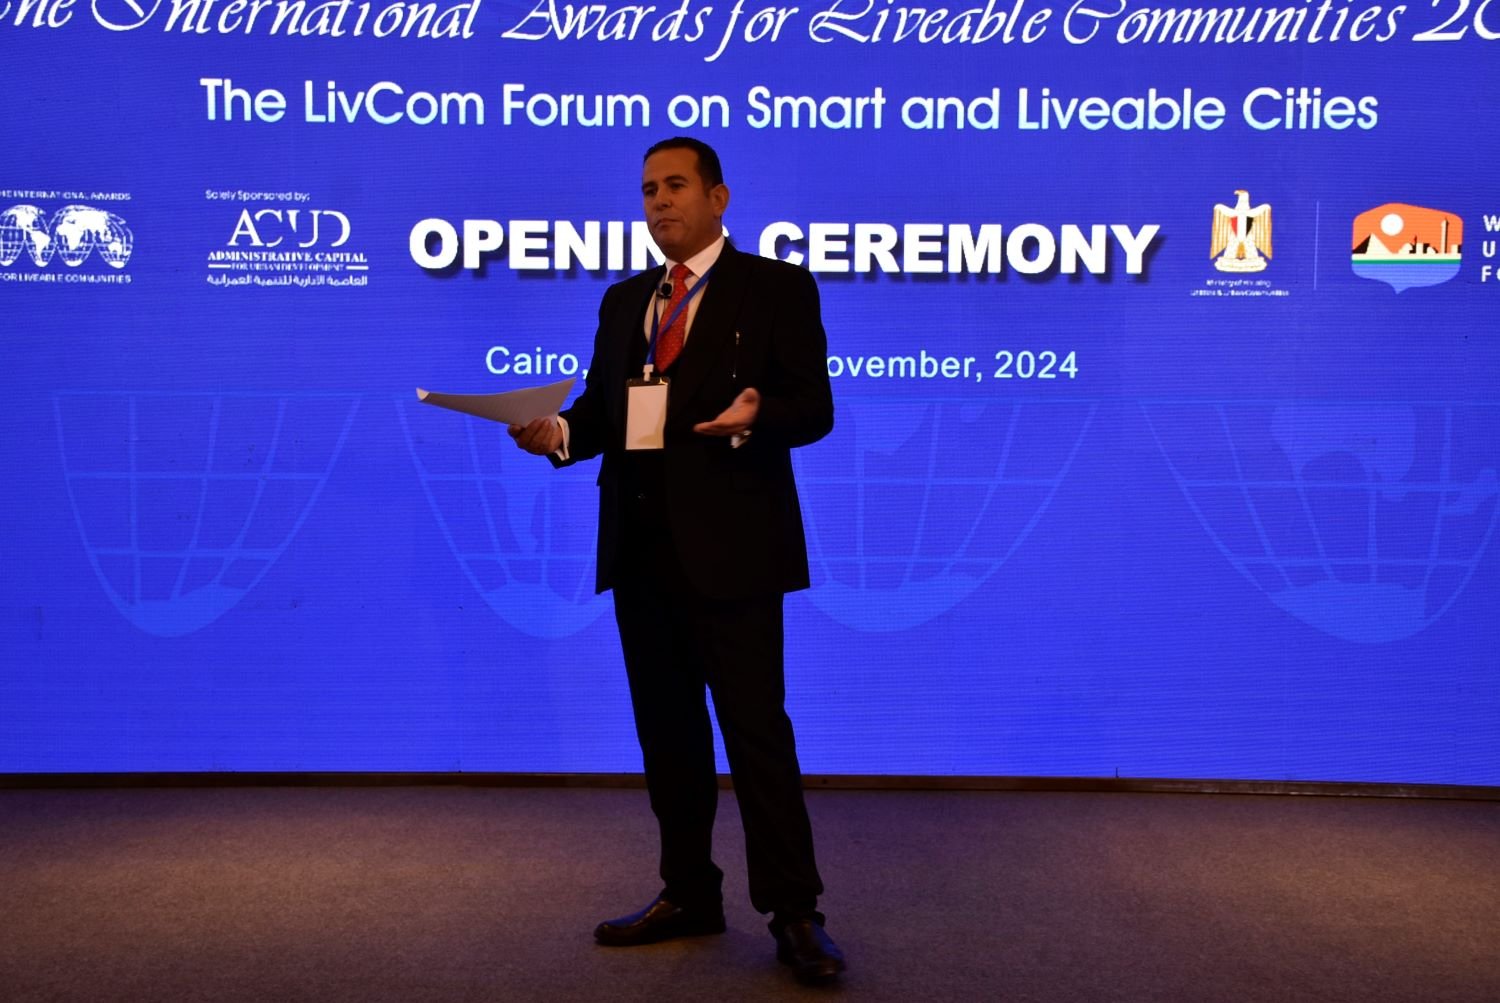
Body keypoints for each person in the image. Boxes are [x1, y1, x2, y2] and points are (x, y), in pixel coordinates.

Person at [508, 137, 844, 985]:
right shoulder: (627, 300)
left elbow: (814, 408)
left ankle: (795, 910)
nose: (659, 202)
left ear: (718, 198)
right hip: (641, 550)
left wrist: (757, 414)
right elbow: (604, 412)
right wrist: (556, 434)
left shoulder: (776, 286)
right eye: (649, 190)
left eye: (676, 186)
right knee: (669, 737)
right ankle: (689, 891)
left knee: (757, 735)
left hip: (735, 552)